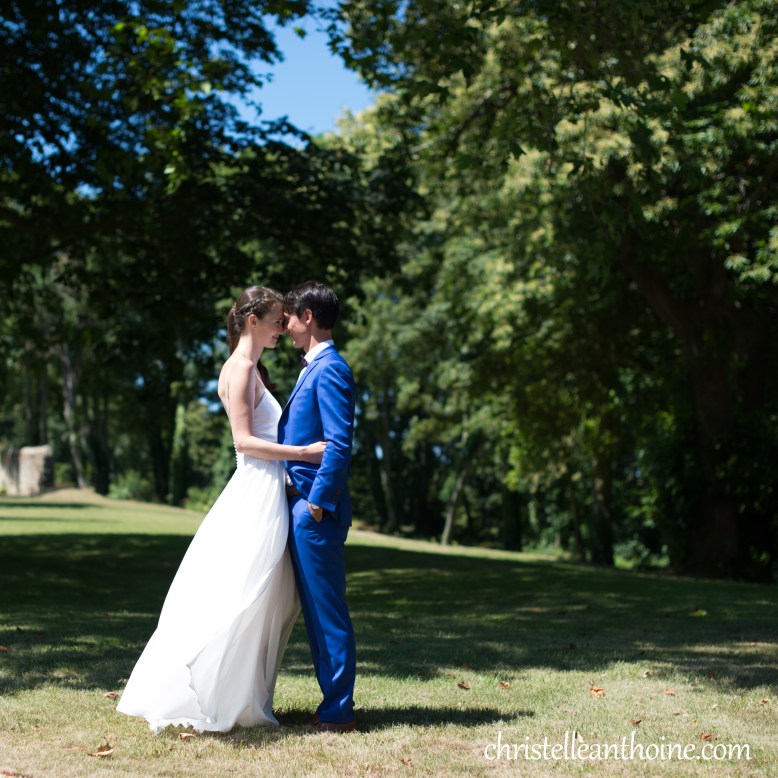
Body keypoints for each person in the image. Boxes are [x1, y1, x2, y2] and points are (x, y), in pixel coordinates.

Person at [117, 286, 326, 734]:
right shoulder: (239, 368)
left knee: (271, 596)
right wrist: (305, 452)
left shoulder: (252, 368)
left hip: (269, 490)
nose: (281, 326)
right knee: (243, 593)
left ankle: (245, 696)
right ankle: (216, 696)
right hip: (254, 491)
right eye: (275, 319)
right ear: (253, 321)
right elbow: (244, 442)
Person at [279, 281, 357, 733]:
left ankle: (338, 712)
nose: (285, 327)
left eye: (289, 317)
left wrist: (317, 504)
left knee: (328, 613)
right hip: (302, 508)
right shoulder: (314, 367)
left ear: (308, 317)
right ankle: (332, 704)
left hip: (315, 512)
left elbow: (339, 445)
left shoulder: (330, 369)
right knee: (314, 612)